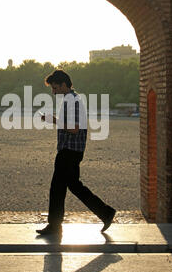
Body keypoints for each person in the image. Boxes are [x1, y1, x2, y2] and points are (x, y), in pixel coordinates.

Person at [36, 69, 116, 236]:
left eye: (55, 88)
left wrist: (53, 120)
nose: (53, 92)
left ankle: (54, 226)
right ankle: (105, 212)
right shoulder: (72, 99)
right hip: (73, 151)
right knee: (74, 186)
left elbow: (74, 128)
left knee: (57, 188)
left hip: (69, 151)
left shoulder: (72, 101)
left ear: (64, 85)